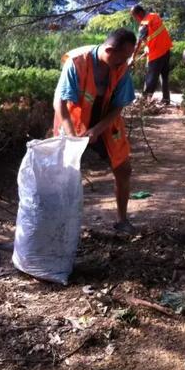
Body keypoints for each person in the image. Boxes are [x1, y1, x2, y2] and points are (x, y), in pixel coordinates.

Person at [53, 28, 137, 234]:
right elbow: (60, 104)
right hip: (73, 123)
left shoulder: (121, 68)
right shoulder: (77, 62)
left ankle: (122, 220)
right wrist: (72, 138)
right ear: (109, 50)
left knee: (123, 168)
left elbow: (118, 106)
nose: (124, 63)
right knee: (66, 175)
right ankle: (62, 225)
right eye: (121, 58)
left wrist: (98, 128)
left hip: (105, 123)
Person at [130, 5, 173, 104]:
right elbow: (154, 35)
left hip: (156, 54)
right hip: (166, 50)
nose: (135, 19)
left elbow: (138, 43)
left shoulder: (145, 23)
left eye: (134, 16)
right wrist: (147, 47)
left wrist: (132, 57)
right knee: (164, 76)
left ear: (140, 13)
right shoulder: (154, 16)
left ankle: (144, 101)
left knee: (151, 77)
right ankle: (166, 99)